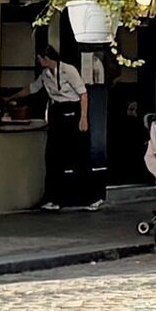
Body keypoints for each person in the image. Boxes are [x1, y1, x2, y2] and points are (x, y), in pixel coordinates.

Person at [36, 44, 90, 209]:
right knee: (53, 155)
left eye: (40, 59)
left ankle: (90, 198)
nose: (39, 62)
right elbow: (33, 88)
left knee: (78, 154)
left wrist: (83, 118)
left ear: (46, 58)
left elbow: (83, 94)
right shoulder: (45, 74)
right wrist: (12, 97)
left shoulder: (68, 70)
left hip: (72, 109)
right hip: (57, 110)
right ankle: (53, 198)